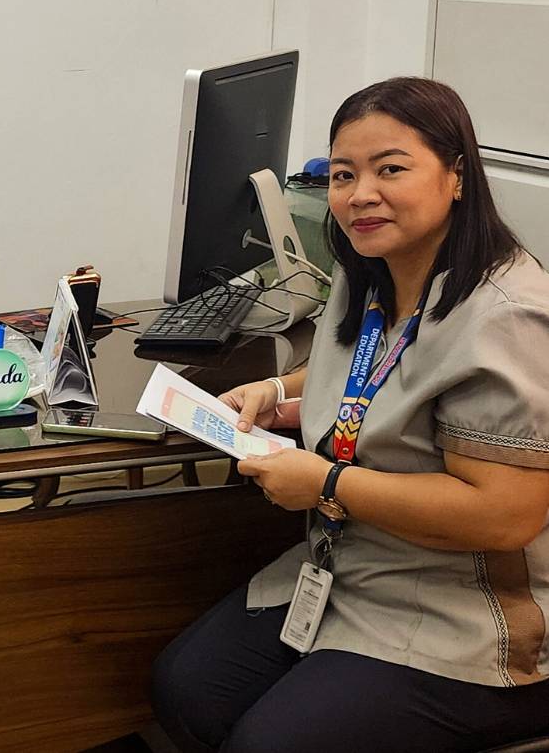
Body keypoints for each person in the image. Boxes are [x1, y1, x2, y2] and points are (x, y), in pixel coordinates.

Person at [151, 78, 549, 752]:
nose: (361, 194)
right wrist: (278, 393)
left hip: (460, 615)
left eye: (391, 169)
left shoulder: (504, 315)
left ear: (457, 175)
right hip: (347, 570)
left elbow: (505, 514)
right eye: (343, 174)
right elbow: (380, 369)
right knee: (187, 692)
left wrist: (327, 484)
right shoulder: (373, 270)